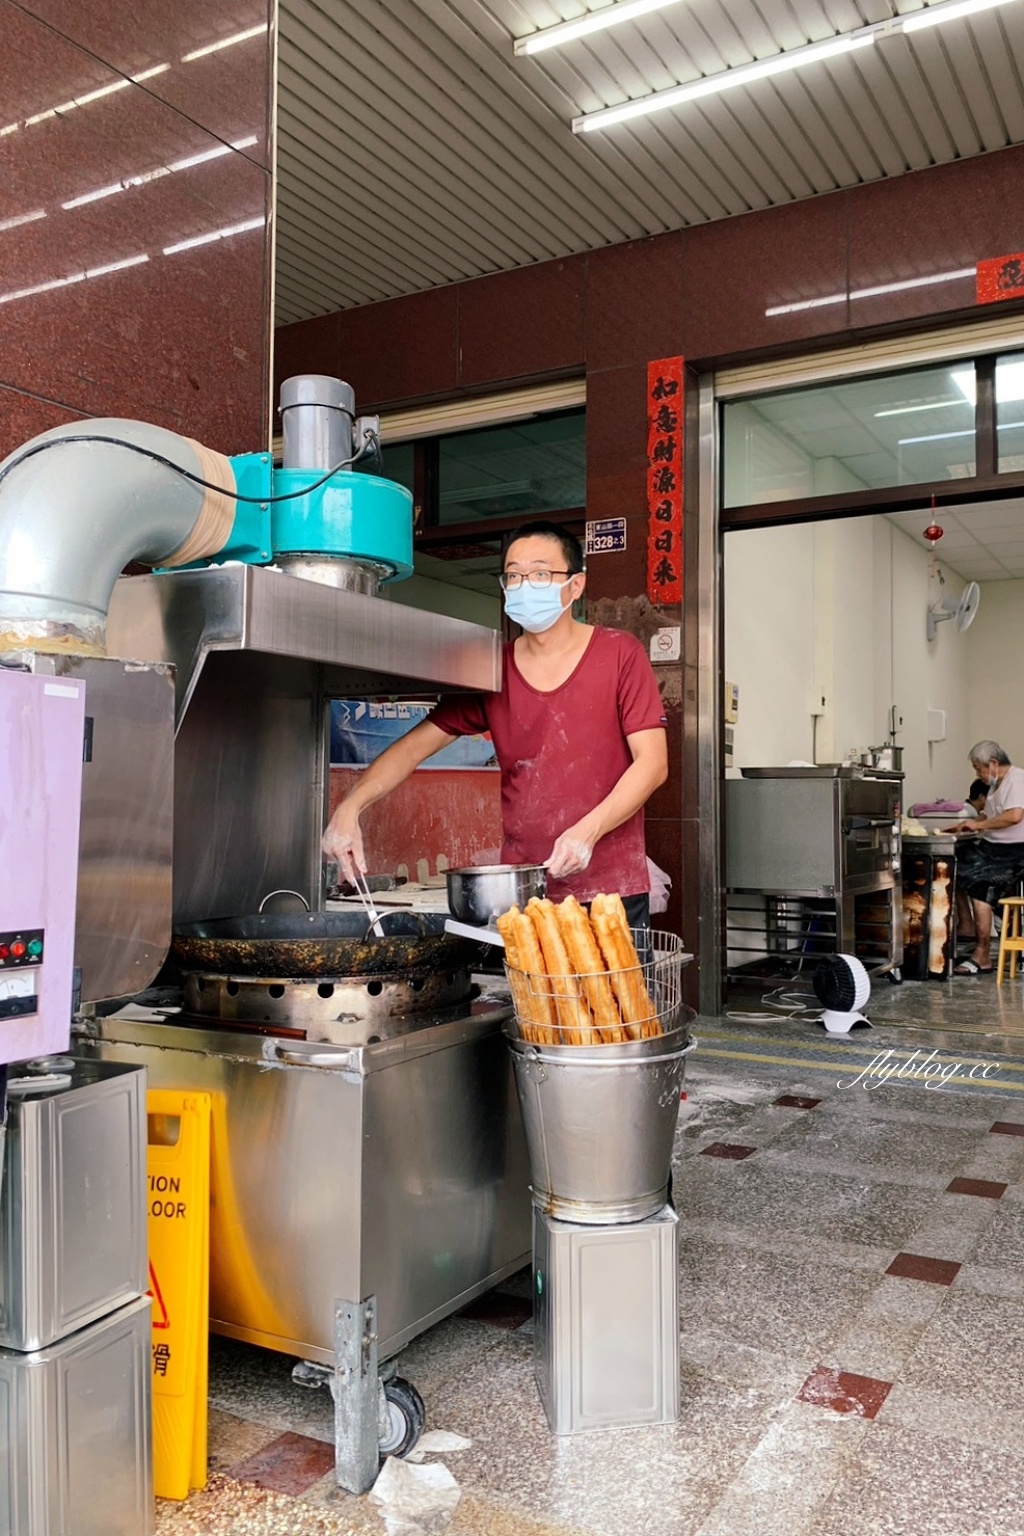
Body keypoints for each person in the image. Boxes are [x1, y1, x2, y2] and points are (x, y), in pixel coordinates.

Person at [322, 520, 669, 929]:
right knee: (530, 996)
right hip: (526, 892)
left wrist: (587, 832)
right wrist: (350, 806)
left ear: (575, 586)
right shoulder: (492, 671)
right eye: (514, 575)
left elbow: (653, 764)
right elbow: (413, 747)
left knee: (613, 995)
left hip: (612, 891)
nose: (525, 585)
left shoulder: (619, 654)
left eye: (540, 573)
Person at [944, 741, 1024, 975]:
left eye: (978, 768)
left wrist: (980, 824)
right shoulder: (994, 786)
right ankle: (967, 924)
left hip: (1015, 851)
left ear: (993, 763)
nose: (977, 773)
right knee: (951, 862)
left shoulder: (1017, 780)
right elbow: (989, 817)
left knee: (981, 884)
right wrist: (964, 826)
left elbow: (1014, 816)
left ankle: (982, 954)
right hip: (992, 847)